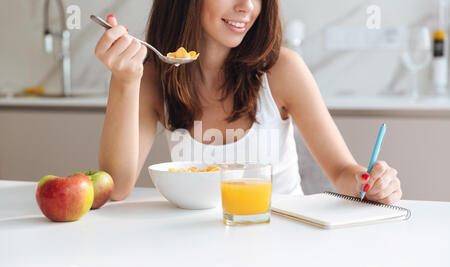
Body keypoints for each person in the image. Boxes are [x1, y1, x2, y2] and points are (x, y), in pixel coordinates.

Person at [94, 0, 402, 204]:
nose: (248, 7)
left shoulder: (282, 70)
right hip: (196, 244)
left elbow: (342, 172)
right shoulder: (152, 78)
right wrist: (124, 80)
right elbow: (117, 186)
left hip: (283, 241)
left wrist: (371, 184)